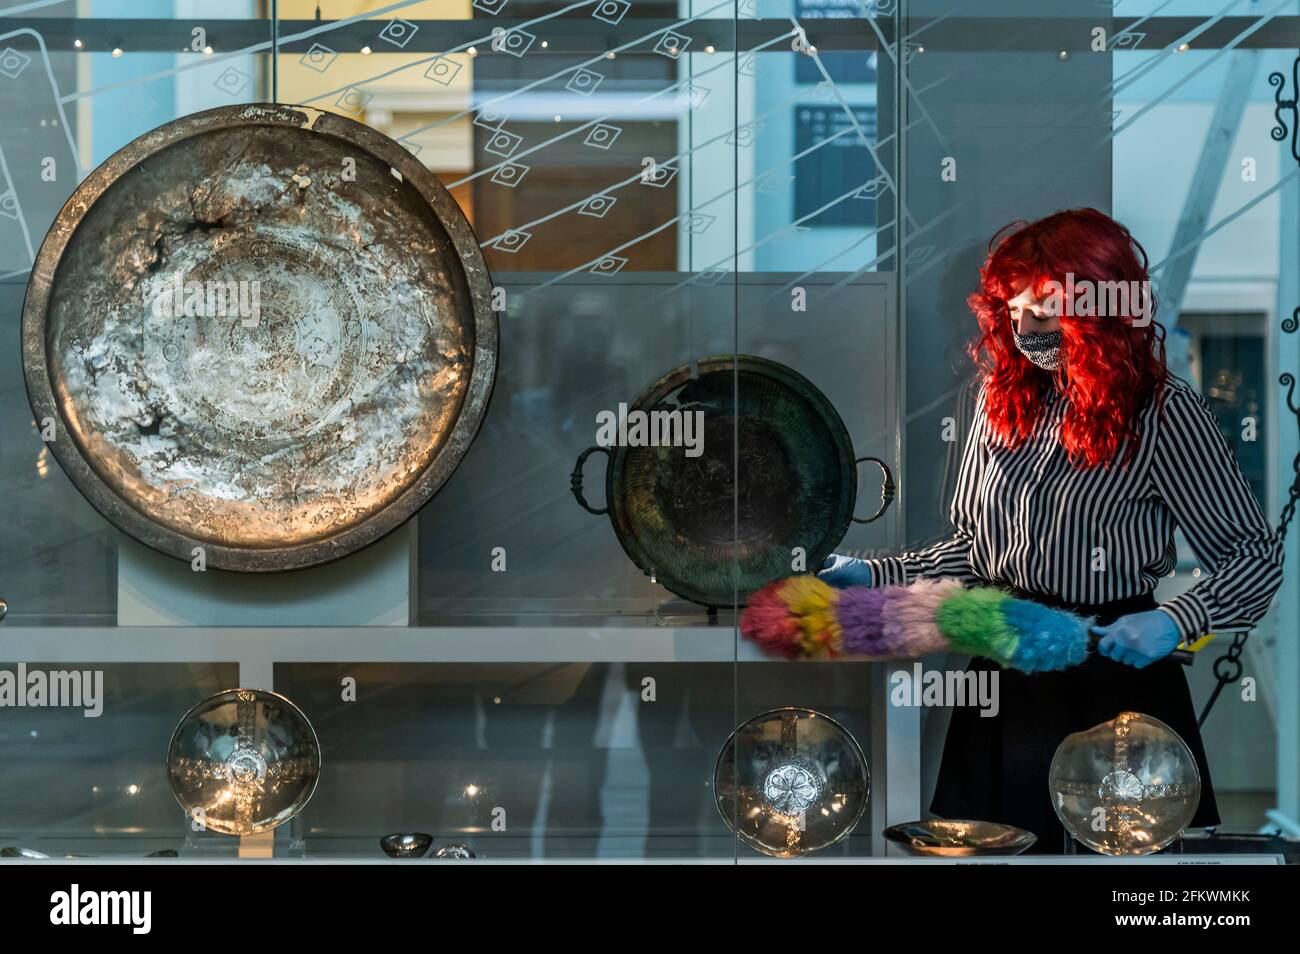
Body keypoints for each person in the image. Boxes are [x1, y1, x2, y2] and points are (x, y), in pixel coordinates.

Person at [821, 208, 1284, 851]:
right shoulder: (996, 400)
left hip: (1115, 682)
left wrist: (1176, 621)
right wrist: (873, 573)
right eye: (1013, 314)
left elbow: (1253, 559)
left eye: (1043, 312)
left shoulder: (1164, 414)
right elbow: (976, 552)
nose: (1025, 331)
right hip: (1007, 682)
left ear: (1100, 310)